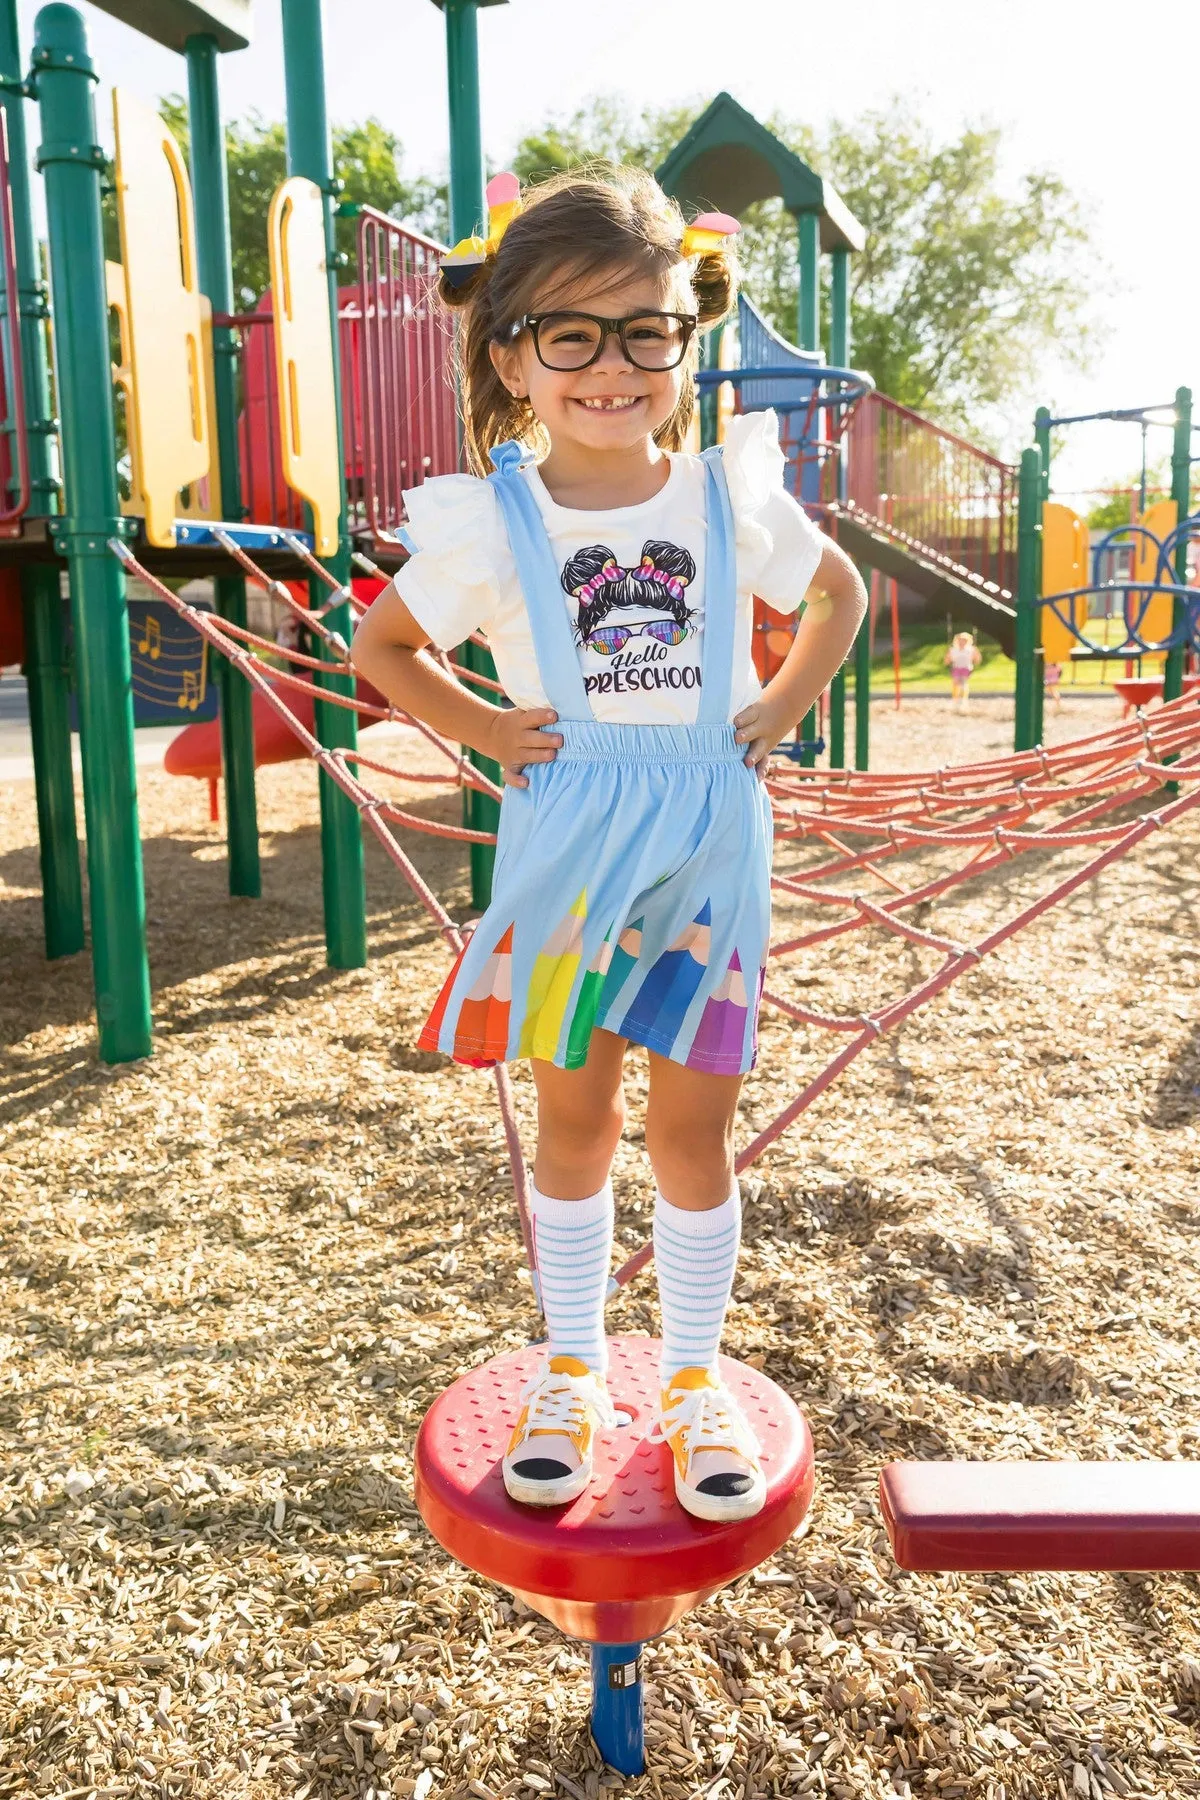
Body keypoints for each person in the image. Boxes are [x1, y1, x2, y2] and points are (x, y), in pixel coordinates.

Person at [351, 169, 866, 1523]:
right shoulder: (490, 521)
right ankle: (572, 1365)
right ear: (510, 352)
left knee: (694, 1132)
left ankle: (693, 1379)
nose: (610, 366)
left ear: (684, 346)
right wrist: (485, 726)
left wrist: (781, 706)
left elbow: (840, 592)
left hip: (709, 843)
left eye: (645, 331)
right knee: (575, 1120)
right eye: (569, 335)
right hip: (571, 854)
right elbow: (385, 647)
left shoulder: (721, 494)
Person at [945, 629, 981, 711]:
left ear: (968, 641)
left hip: (966, 668)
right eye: (960, 640)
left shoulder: (971, 649)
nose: (962, 642)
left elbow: (977, 660)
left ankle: (963, 700)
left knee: (963, 683)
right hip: (956, 668)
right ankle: (955, 699)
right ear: (957, 641)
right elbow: (947, 661)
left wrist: (976, 654)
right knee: (955, 683)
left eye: (964, 640)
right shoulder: (953, 649)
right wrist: (948, 657)